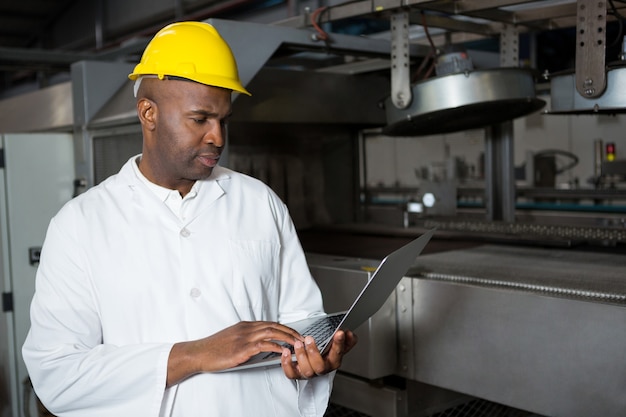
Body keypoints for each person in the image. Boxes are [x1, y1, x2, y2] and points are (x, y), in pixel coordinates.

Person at [22, 21, 356, 416]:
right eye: (200, 119)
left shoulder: (259, 202)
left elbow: (301, 317)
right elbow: (58, 373)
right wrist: (195, 355)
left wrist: (311, 354)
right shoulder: (79, 225)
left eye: (224, 120)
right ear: (148, 113)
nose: (218, 137)